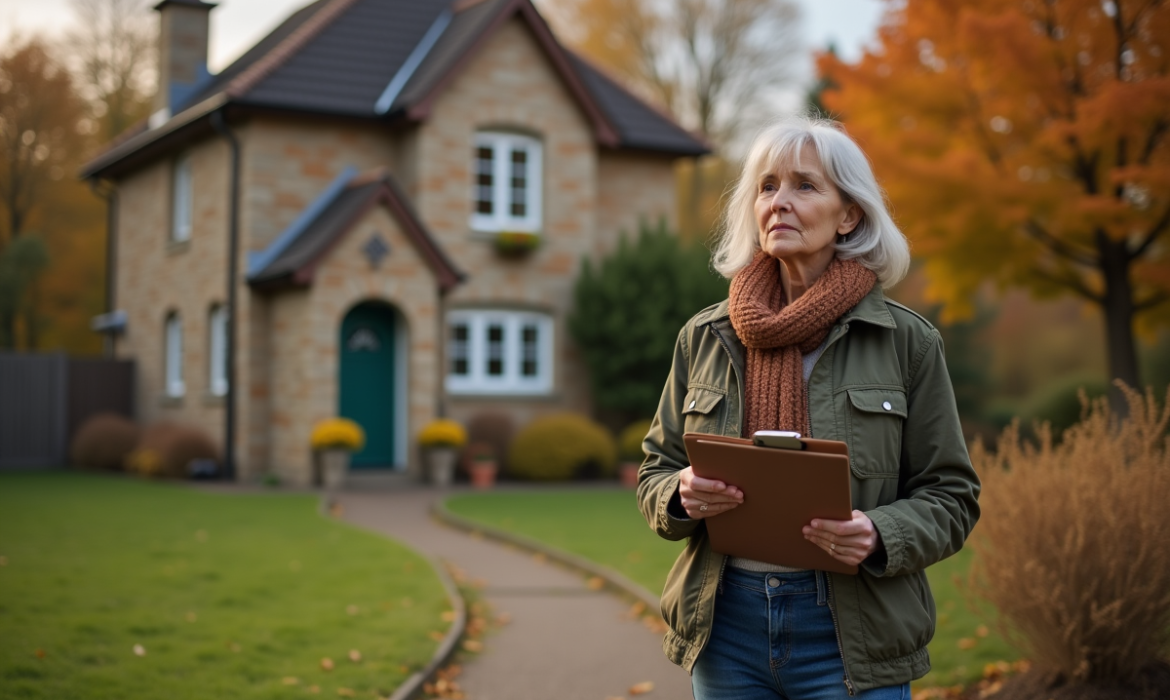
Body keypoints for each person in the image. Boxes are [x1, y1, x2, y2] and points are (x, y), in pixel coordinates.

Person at [637, 114, 981, 699]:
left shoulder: (905, 342)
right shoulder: (704, 336)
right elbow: (654, 472)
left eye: (805, 185)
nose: (780, 202)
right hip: (727, 632)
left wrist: (879, 531)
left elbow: (952, 496)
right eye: (767, 187)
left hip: (852, 636)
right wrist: (681, 493)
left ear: (850, 214)